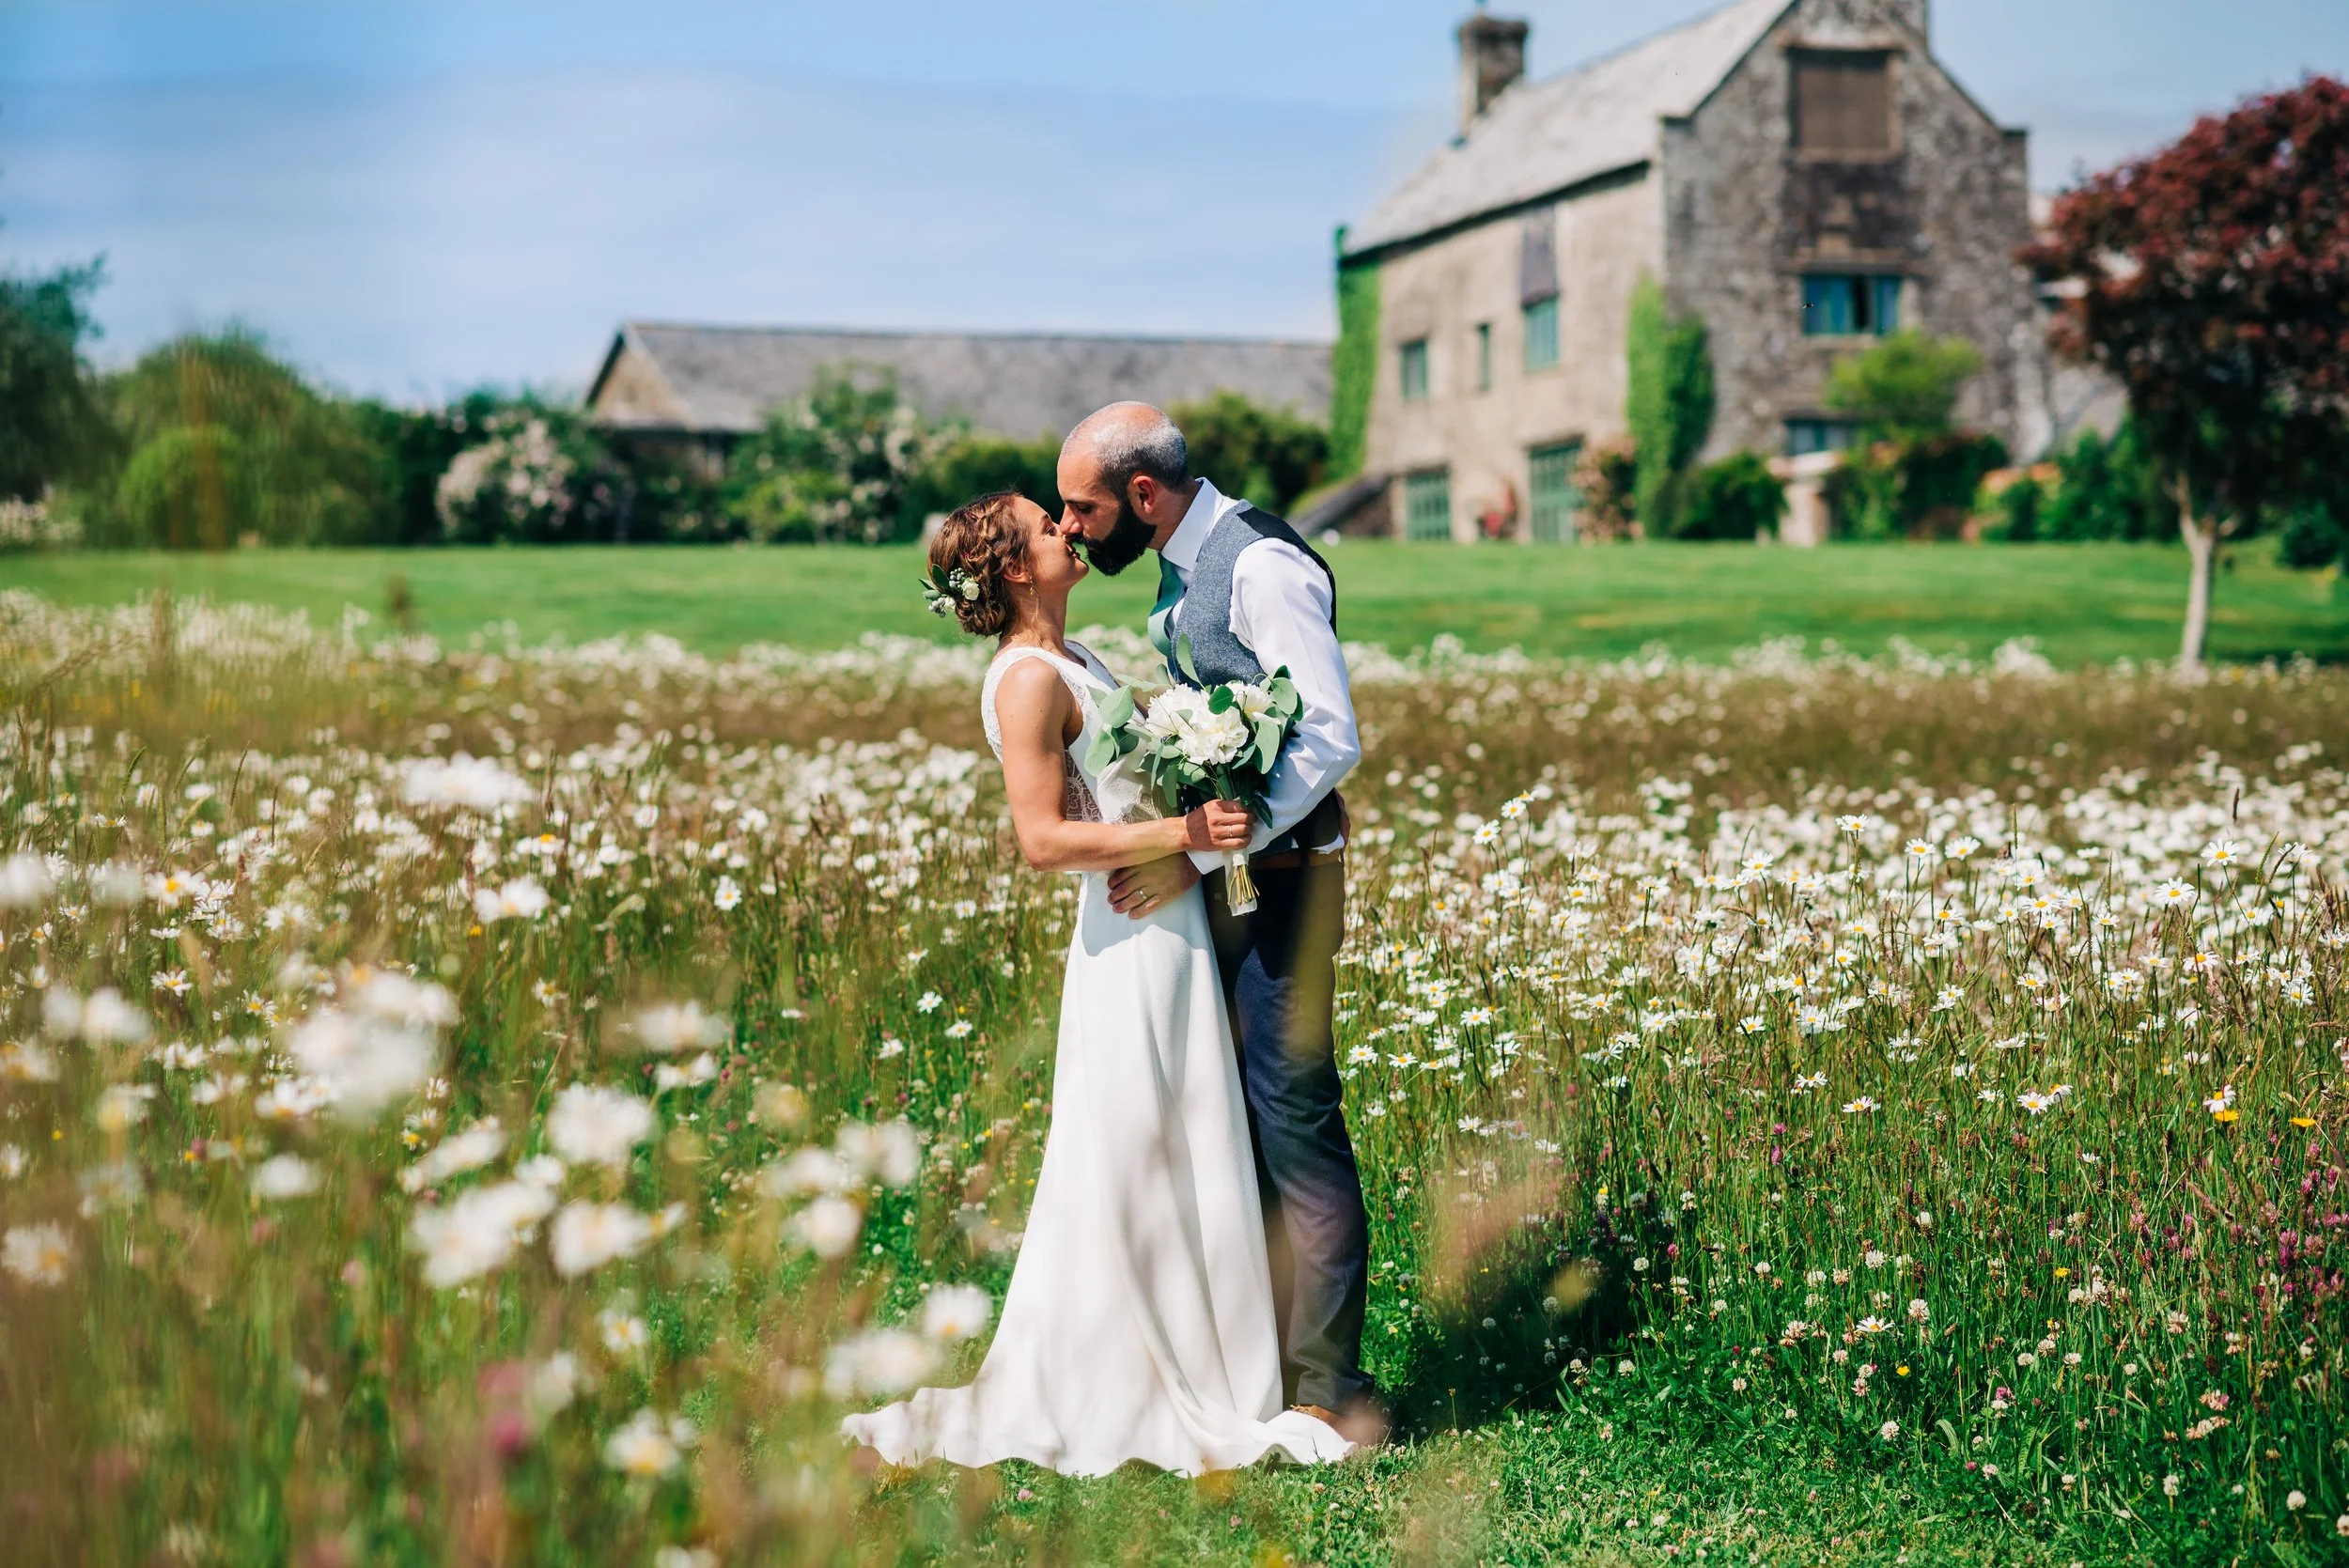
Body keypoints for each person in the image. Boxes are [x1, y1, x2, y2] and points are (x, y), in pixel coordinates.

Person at [838, 489, 1353, 1474]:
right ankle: (1128, 1375)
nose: (1071, 530)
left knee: (1187, 1144)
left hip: (1170, 930)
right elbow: (1041, 839)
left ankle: (1225, 1358)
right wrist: (1186, 836)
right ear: (1017, 569)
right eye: (1047, 524)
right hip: (1129, 942)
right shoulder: (1026, 680)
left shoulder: (1078, 659)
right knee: (1135, 1155)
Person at [1055, 403, 1384, 1447]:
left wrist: (1191, 851)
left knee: (1293, 1121)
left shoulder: (1258, 566)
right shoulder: (1176, 562)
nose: (1071, 528)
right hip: (1240, 880)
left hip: (1287, 881)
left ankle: (1327, 1389)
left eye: (1084, 506)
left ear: (1141, 496)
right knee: (1235, 1121)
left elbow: (1327, 736)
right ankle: (1255, 1363)